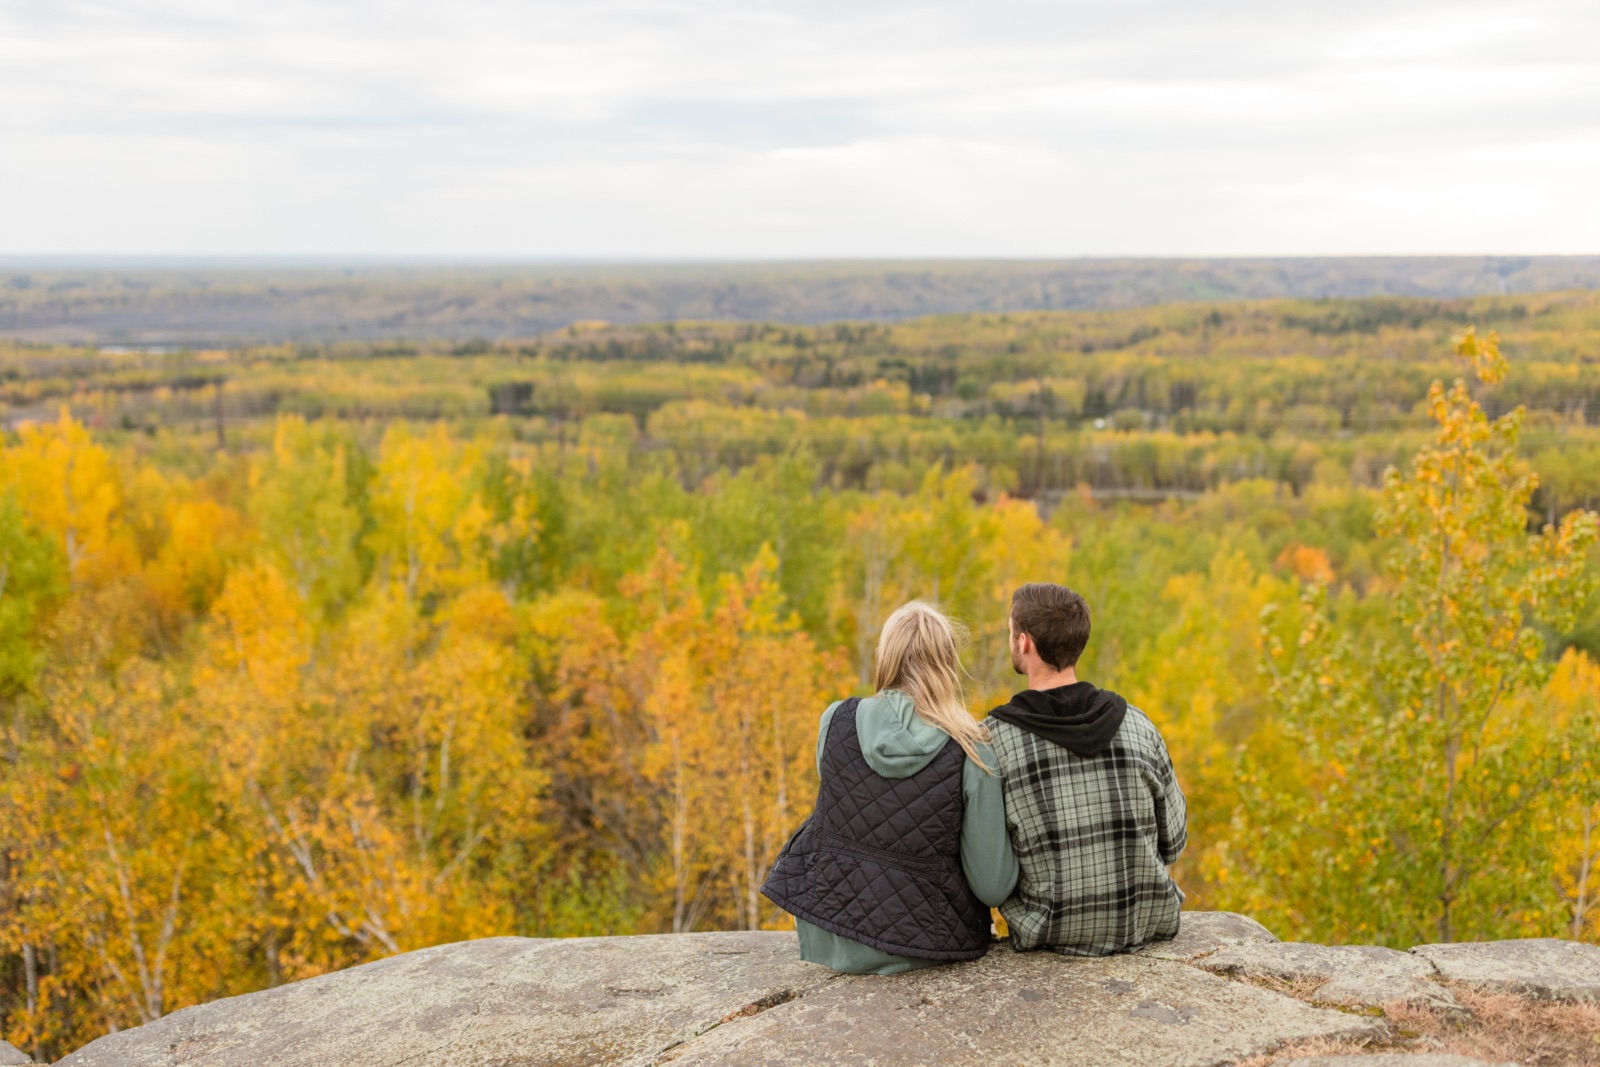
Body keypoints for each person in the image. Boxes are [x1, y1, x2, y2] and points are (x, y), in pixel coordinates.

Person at [762, 601, 1019, 974]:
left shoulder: (835, 720)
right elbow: (992, 887)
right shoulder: (973, 750)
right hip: (929, 946)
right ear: (947, 665)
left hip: (835, 932)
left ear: (886, 656)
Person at [986, 582, 1187, 956]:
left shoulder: (994, 741)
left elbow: (990, 871)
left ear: (1024, 642)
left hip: (1049, 931)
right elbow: (1174, 843)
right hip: (1143, 923)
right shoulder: (1139, 726)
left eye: (1010, 631)